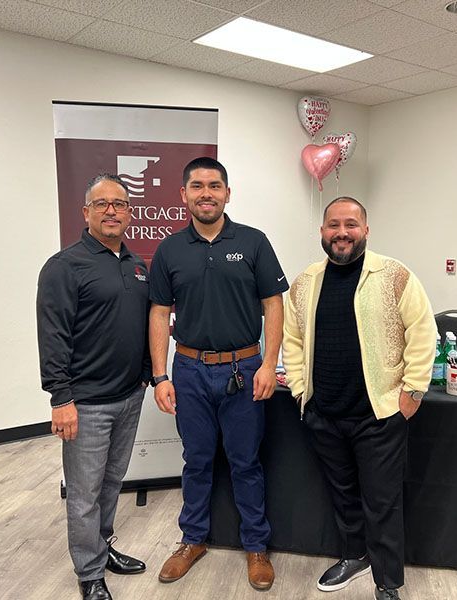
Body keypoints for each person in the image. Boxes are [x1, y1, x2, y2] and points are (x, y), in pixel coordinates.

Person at [282, 196, 436, 600]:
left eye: (351, 224)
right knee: (343, 494)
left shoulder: (394, 275)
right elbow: (292, 339)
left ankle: (387, 583)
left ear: (365, 230)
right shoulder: (306, 281)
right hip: (324, 412)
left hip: (379, 414)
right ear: (322, 232)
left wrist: (413, 393)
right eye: (333, 225)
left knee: (382, 503)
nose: (342, 233)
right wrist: (301, 391)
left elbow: (423, 333)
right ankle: (354, 556)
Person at [148, 157, 288, 591]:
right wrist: (159, 375)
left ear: (228, 193)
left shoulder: (253, 242)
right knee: (197, 460)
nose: (205, 193)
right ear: (183, 195)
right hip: (188, 370)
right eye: (197, 186)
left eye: (214, 185)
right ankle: (193, 540)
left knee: (246, 462)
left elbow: (273, 304)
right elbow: (158, 312)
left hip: (244, 369)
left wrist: (268, 363)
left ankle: (256, 547)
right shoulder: (170, 250)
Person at [36, 174, 151, 600]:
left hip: (128, 397)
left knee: (111, 482)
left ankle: (102, 549)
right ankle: (89, 573)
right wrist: (61, 398)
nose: (111, 211)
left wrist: (143, 374)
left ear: (128, 213)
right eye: (101, 204)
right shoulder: (63, 267)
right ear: (86, 212)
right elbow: (53, 335)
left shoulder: (136, 266)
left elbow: (142, 325)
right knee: (83, 493)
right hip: (84, 403)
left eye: (119, 204)